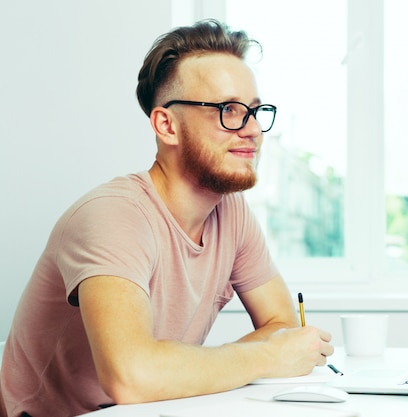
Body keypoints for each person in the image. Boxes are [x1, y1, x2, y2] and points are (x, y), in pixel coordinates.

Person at [0, 19, 333, 417]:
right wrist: (266, 358)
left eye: (256, 111)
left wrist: (174, 369)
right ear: (166, 125)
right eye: (228, 109)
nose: (252, 130)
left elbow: (281, 325)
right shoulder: (113, 215)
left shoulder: (231, 213)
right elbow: (131, 377)